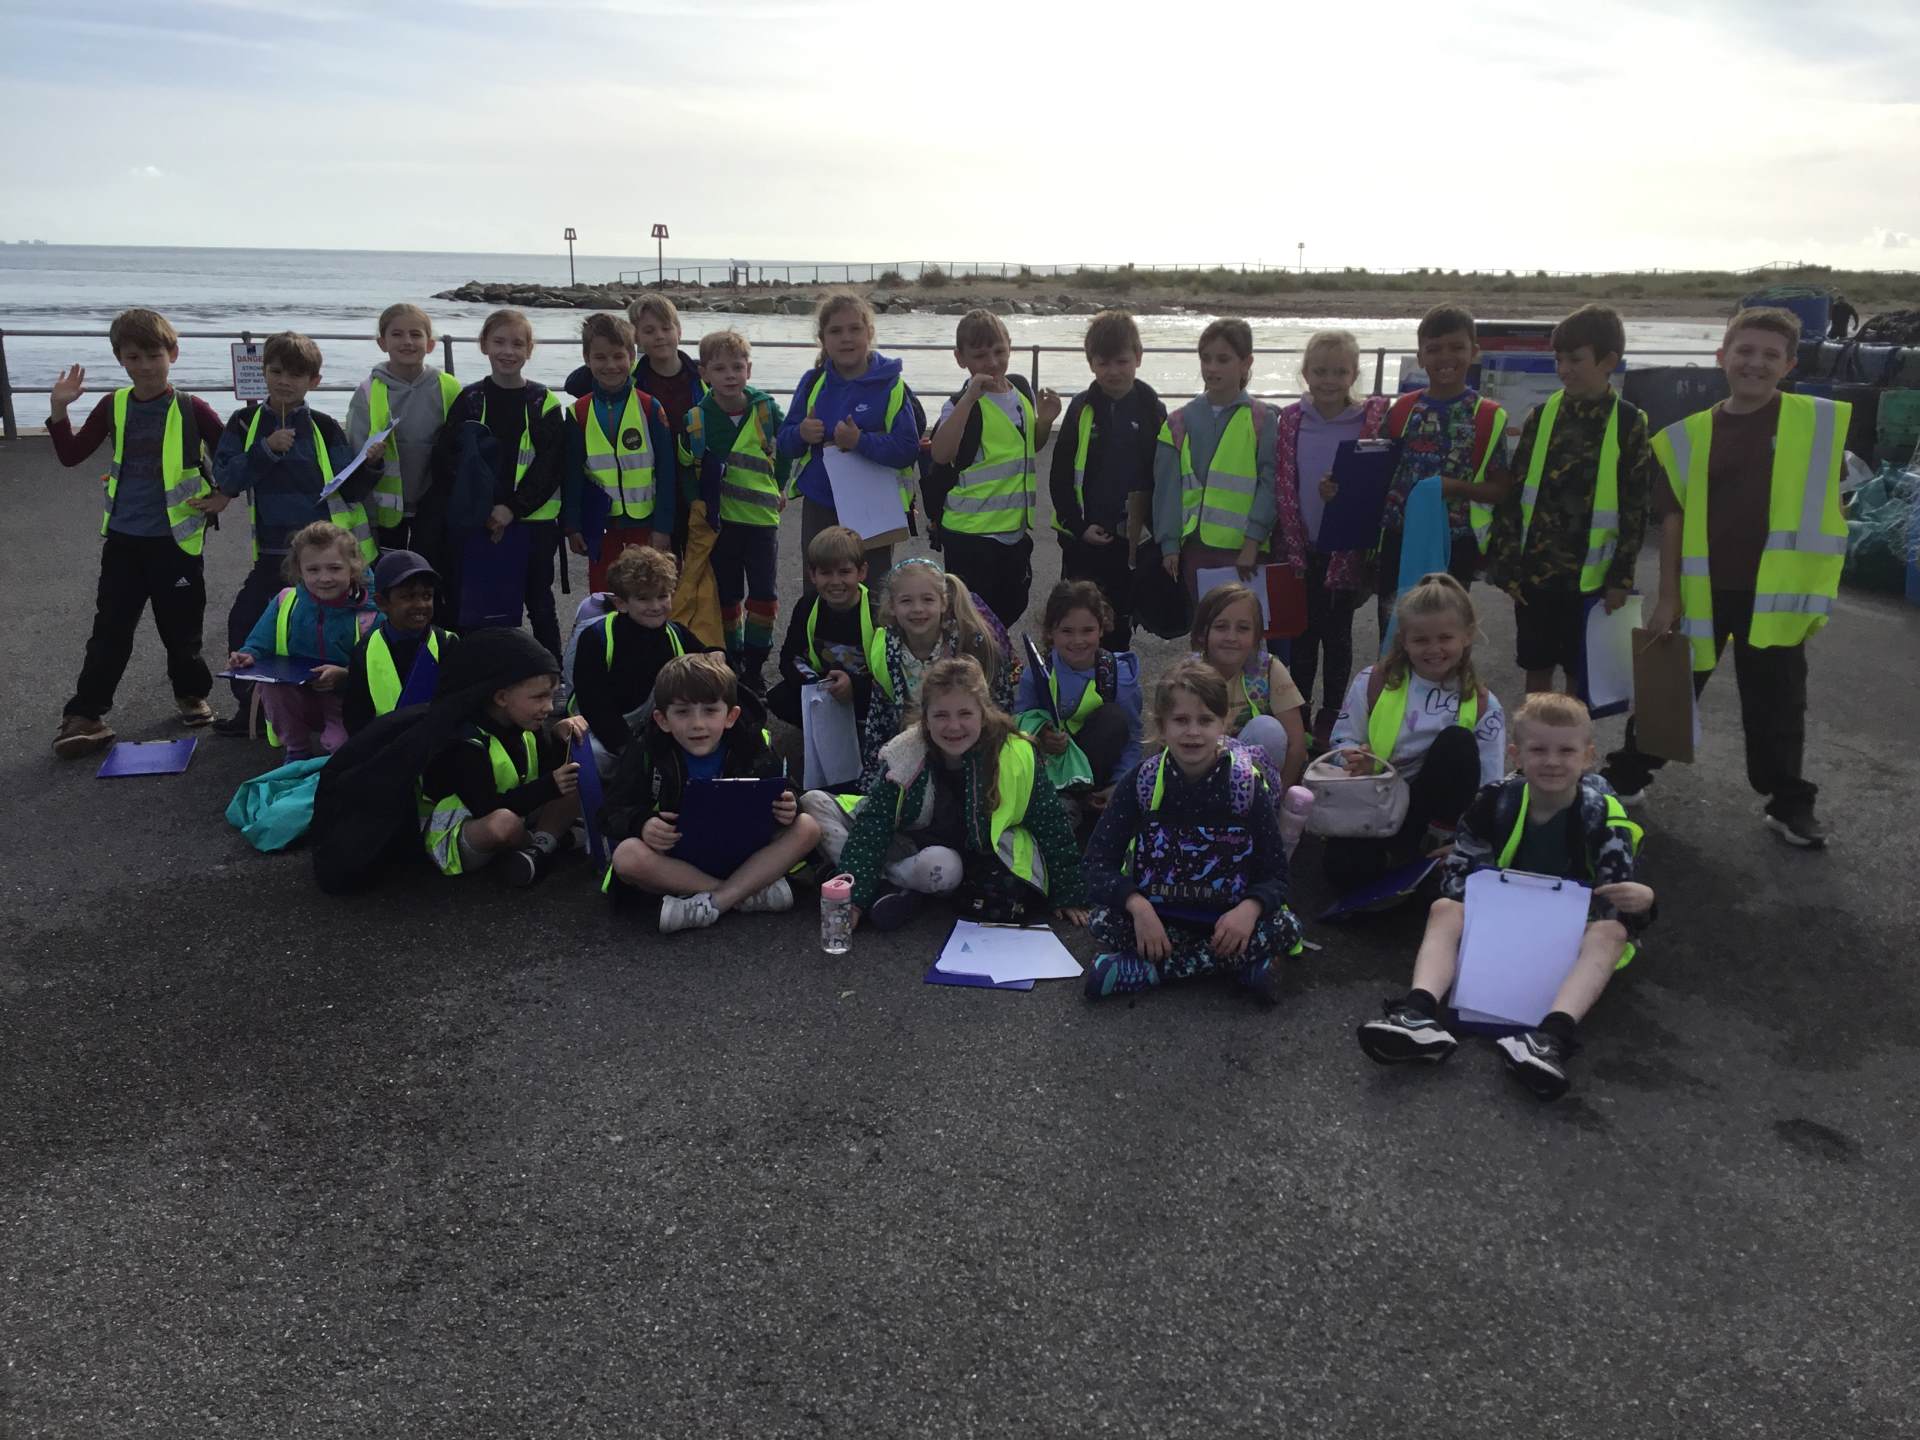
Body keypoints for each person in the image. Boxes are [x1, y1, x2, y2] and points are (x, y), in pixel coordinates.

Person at [1600, 307, 1846, 848]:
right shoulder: (1688, 437)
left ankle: (1789, 803)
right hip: (1702, 592)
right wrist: (1668, 596)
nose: (1756, 363)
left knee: (1778, 704)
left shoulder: (1816, 423)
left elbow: (1833, 500)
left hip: (1777, 597)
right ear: (1722, 357)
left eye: (1770, 355)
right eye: (1745, 351)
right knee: (1669, 689)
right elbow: (1672, 519)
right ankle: (1626, 776)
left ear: (1790, 365)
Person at [1357, 692, 1656, 1101]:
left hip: (1567, 930)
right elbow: (1461, 875)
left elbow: (1616, 903)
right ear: (1516, 754)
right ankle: (1418, 1011)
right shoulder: (1495, 799)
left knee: (1611, 934)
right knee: (1444, 908)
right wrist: (1477, 899)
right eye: (1539, 750)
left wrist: (1644, 901)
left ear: (1588, 757)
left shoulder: (1604, 815)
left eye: (1566, 751)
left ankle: (1550, 1037)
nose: (1552, 761)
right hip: (1504, 921)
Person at [46, 308, 226, 758]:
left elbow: (232, 455)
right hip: (124, 540)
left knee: (181, 630)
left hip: (177, 541)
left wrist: (224, 495)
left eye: (153, 355)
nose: (145, 366)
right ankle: (85, 713)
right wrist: (59, 409)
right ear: (120, 359)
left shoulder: (192, 408)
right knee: (110, 630)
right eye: (133, 357)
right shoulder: (115, 404)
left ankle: (191, 694)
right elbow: (71, 454)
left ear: (173, 354)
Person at [1080, 659, 1304, 1003]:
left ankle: (1149, 970)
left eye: (1205, 720)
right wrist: (1137, 906)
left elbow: (1276, 874)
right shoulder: (1142, 782)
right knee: (1102, 920)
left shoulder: (1245, 786)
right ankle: (1239, 967)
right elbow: (1097, 863)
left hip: (1227, 918)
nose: (1193, 732)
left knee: (1286, 927)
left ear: (1224, 723)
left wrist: (1250, 909)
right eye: (1181, 720)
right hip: (1160, 916)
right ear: (1162, 725)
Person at [818, 656, 1088, 933]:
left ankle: (885, 882)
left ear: (983, 713)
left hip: (953, 859)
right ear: (925, 719)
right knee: (814, 804)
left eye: (965, 714)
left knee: (943, 868)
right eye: (941, 715)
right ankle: (876, 885)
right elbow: (873, 825)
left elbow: (1050, 822)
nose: (954, 726)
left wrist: (1068, 892)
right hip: (908, 842)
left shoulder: (1016, 754)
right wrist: (853, 901)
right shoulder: (905, 753)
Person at [1488, 304, 1654, 695]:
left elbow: (1635, 508)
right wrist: (1507, 565)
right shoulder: (1540, 417)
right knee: (1536, 667)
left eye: (1575, 359)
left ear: (1608, 361)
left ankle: (1572, 736)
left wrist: (1620, 579)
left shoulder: (1629, 423)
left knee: (1580, 677)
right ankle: (1535, 734)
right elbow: (1515, 494)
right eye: (1558, 359)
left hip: (1591, 582)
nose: (1564, 369)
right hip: (1536, 576)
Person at [210, 331, 370, 730]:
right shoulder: (244, 422)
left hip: (321, 559)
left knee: (325, 632)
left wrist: (373, 463)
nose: (284, 381)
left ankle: (335, 711)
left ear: (313, 381)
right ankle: (251, 711)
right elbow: (226, 478)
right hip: (271, 553)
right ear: (263, 371)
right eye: (277, 371)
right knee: (245, 625)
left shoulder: (324, 426)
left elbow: (351, 487)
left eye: (296, 375)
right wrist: (266, 449)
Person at [601, 653, 821, 933]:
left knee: (807, 827)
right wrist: (641, 823)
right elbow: (610, 812)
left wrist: (789, 804)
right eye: (683, 712)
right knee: (627, 856)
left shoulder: (750, 740)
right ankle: (740, 894)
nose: (697, 724)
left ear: (731, 716)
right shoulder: (648, 749)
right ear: (662, 719)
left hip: (744, 849)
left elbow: (784, 787)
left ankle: (713, 902)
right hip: (680, 859)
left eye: (709, 711)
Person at [1324, 572, 1508, 891]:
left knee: (1458, 743)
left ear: (1466, 636)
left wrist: (1470, 839)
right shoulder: (1373, 682)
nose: (1434, 649)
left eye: (1445, 638)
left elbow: (1490, 786)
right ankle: (1400, 860)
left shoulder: (1483, 704)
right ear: (1404, 640)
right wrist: (1353, 758)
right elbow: (1341, 740)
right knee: (1342, 873)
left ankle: (1436, 848)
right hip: (1378, 804)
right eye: (1421, 640)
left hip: (1436, 813)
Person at [1268, 329, 1394, 749]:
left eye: (1340, 372)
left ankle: (1333, 716)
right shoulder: (1291, 420)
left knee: (1337, 638)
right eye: (1320, 371)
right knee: (1301, 638)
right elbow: (1284, 480)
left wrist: (1342, 491)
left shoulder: (1368, 421)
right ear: (1306, 373)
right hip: (1302, 548)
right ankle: (1300, 715)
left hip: (1346, 550)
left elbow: (1376, 479)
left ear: (1354, 374)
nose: (1329, 380)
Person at [422, 309, 567, 662]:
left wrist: (512, 508)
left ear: (529, 349)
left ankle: (552, 672)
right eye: (499, 342)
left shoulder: (544, 401)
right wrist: (484, 509)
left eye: (517, 344)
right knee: (473, 600)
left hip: (532, 521)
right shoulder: (470, 399)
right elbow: (448, 458)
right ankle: (468, 669)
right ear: (484, 345)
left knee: (538, 601)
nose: (508, 351)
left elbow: (550, 466)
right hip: (478, 520)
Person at [1369, 305, 1512, 632]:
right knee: (1395, 627)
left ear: (1474, 352)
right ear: (1420, 357)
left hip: (1455, 545)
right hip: (1400, 541)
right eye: (1434, 350)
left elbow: (1501, 488)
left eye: (1456, 347)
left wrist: (1457, 487)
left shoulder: (1488, 416)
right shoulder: (1402, 410)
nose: (1445, 357)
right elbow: (1377, 474)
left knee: (1447, 631)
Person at [416, 631, 588, 888]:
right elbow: (487, 808)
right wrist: (550, 785)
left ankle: (537, 851)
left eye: (551, 696)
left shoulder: (525, 723)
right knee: (503, 823)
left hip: (517, 811)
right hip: (465, 830)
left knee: (574, 778)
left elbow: (545, 775)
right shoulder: (465, 743)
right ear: (502, 698)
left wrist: (559, 739)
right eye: (539, 697)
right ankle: (548, 843)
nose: (550, 707)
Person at [926, 308, 1060, 627]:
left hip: (1013, 532)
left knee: (1010, 607)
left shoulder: (1020, 391)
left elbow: (1028, 447)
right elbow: (941, 454)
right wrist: (968, 400)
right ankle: (977, 659)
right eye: (980, 355)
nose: (992, 362)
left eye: (999, 351)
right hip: (971, 536)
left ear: (1010, 347)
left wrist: (1044, 421)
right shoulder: (959, 404)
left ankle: (994, 656)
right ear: (961, 358)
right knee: (971, 621)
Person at [776, 292, 922, 582]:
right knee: (820, 589)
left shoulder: (891, 385)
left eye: (855, 329)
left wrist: (860, 442)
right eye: (836, 331)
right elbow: (784, 443)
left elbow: (908, 448)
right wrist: (801, 432)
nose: (846, 338)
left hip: (874, 509)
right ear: (823, 339)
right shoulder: (813, 382)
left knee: (872, 590)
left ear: (870, 333)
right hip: (820, 504)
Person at [1049, 309, 1165, 652]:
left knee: (1118, 628)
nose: (1113, 371)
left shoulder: (1152, 410)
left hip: (1132, 544)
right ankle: (1071, 682)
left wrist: (1158, 533)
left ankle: (1115, 681)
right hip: (1085, 542)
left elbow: (1164, 476)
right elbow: (1060, 475)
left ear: (1138, 357)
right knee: (1076, 622)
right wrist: (1078, 525)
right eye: (1103, 363)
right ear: (1091, 364)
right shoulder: (1080, 409)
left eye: (1121, 361)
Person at [686, 329, 790, 691]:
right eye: (719, 368)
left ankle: (756, 666)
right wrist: (696, 505)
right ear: (704, 374)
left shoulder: (767, 410)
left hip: (762, 524)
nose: (730, 375)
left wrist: (781, 485)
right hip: (722, 525)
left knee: (764, 597)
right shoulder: (696, 419)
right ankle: (731, 661)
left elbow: (786, 449)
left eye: (737, 367)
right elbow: (688, 468)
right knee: (727, 598)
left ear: (749, 369)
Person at [227, 521, 381, 759]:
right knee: (271, 686)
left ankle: (342, 752)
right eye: (313, 570)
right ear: (299, 571)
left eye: (335, 568)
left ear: (354, 567)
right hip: (299, 695)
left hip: (346, 698)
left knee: (341, 750)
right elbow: (259, 642)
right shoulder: (286, 601)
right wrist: (247, 655)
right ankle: (296, 750)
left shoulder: (371, 614)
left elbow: (381, 667)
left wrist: (345, 675)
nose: (324, 578)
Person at [1150, 318, 1281, 594]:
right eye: (1205, 358)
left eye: (1223, 359)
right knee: (1203, 619)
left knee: (1245, 620)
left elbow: (1270, 484)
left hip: (1247, 552)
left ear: (1246, 363)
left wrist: (1253, 542)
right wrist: (1169, 545)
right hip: (1196, 550)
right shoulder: (1178, 422)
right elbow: (1167, 489)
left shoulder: (1262, 420)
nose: (1211, 367)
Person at [858, 556, 1012, 787]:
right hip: (913, 754)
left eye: (927, 599)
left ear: (943, 603)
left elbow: (1001, 706)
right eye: (906, 601)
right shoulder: (885, 650)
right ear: (892, 606)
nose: (917, 609)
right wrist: (872, 777)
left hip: (970, 749)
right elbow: (878, 719)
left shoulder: (972, 644)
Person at [560, 312, 677, 593]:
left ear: (632, 356)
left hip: (645, 523)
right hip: (600, 523)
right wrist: (572, 525)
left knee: (647, 592)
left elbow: (667, 471)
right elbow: (572, 474)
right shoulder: (578, 412)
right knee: (604, 595)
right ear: (587, 359)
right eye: (600, 358)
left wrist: (663, 526)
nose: (610, 365)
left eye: (618, 356)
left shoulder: (650, 407)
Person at [569, 545, 703, 774]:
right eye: (643, 599)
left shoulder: (676, 633)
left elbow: (711, 659)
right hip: (607, 730)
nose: (655, 607)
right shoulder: (597, 638)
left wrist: (718, 655)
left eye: (662, 596)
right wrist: (628, 748)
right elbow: (594, 704)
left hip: (660, 726)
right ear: (621, 603)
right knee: (593, 755)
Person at [346, 302, 463, 552]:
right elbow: (354, 454)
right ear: (382, 343)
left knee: (432, 569)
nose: (407, 341)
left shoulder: (450, 387)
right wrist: (371, 461)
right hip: (385, 513)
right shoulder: (368, 392)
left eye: (415, 334)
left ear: (430, 344)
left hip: (436, 507)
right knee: (392, 571)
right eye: (397, 334)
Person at [1014, 580, 1142, 799]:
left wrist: (1119, 785)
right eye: (1067, 631)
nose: (1078, 640)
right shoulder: (1037, 674)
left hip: (1096, 776)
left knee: (1113, 718)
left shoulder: (1117, 675)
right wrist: (1041, 736)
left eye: (1087, 630)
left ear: (1101, 629)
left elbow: (1132, 738)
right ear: (1050, 632)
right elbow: (1018, 726)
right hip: (1049, 775)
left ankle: (1087, 801)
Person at [766, 525, 886, 731]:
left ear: (862, 572)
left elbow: (892, 673)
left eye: (844, 572)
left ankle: (862, 727)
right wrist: (816, 685)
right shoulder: (807, 606)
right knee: (778, 698)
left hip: (864, 691)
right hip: (823, 686)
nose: (835, 582)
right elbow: (789, 658)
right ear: (812, 575)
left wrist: (855, 687)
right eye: (826, 573)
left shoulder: (879, 612)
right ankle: (826, 726)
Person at [1190, 583, 1306, 787]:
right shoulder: (1188, 674)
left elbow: (1296, 745)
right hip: (1202, 773)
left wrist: (1281, 795)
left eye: (1243, 628)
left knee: (1268, 729)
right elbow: (1171, 737)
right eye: (1221, 627)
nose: (1231, 637)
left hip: (1255, 780)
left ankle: (1263, 798)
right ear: (1202, 634)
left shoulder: (1269, 669)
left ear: (1256, 637)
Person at [341, 550, 458, 735]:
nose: (421, 604)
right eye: (408, 597)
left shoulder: (448, 644)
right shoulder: (364, 650)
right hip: (384, 744)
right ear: (382, 602)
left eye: (427, 596)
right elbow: (355, 716)